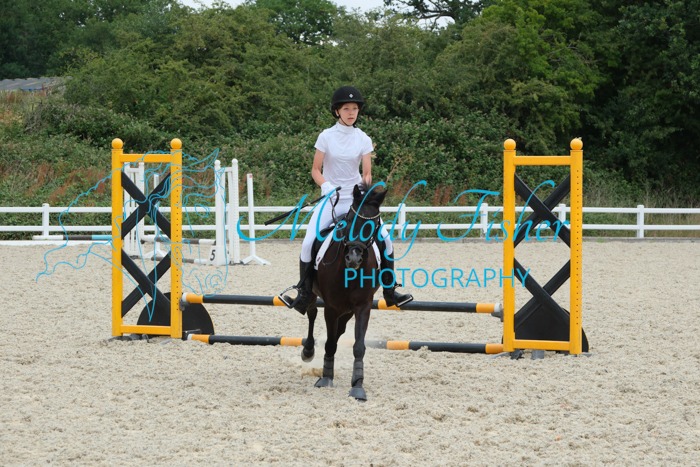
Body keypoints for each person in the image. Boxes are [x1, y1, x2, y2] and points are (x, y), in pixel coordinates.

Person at [292, 85, 413, 314]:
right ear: (337, 111)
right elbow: (315, 170)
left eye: (355, 109)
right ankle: (305, 293)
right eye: (346, 108)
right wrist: (326, 185)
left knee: (386, 240)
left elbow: (367, 173)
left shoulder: (363, 138)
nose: (351, 113)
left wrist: (363, 190)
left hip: (356, 202)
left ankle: (390, 291)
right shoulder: (326, 137)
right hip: (331, 199)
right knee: (308, 242)